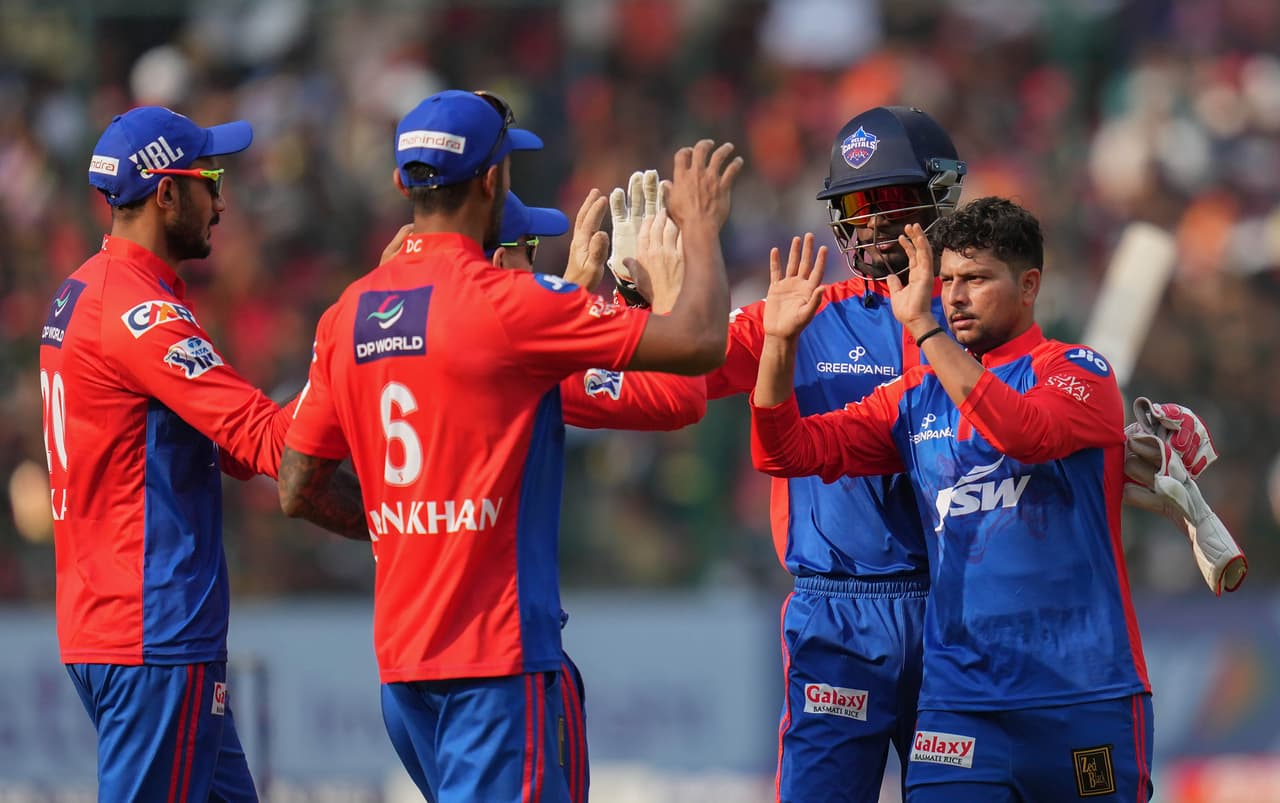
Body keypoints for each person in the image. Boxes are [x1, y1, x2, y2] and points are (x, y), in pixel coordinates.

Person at [276, 88, 740, 802]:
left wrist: (413, 526)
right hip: (492, 663)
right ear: (492, 180)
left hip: (403, 668)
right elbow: (701, 344)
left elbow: (296, 485)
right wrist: (700, 229)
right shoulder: (507, 305)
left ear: (402, 182)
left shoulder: (347, 313)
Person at [750, 198, 1154, 801]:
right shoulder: (915, 396)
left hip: (1082, 693)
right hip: (959, 708)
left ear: (1029, 286)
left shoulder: (1078, 371)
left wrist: (926, 331)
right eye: (948, 281)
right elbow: (787, 453)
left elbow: (1022, 433)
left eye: (977, 279)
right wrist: (779, 345)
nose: (956, 297)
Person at [38, 106, 365, 802]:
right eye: (209, 181)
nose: (221, 202)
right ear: (166, 193)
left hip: (118, 625)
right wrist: (354, 336)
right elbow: (269, 442)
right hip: (153, 633)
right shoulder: (142, 315)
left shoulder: (85, 291)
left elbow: (230, 446)